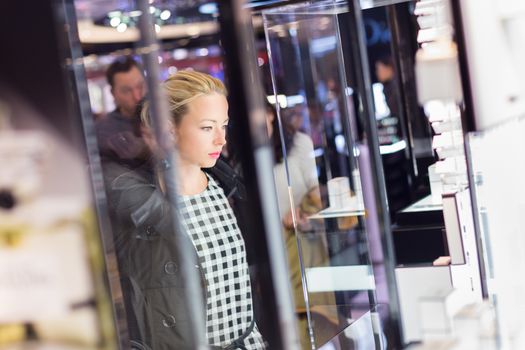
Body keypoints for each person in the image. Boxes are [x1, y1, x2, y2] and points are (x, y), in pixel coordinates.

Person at [103, 71, 265, 350]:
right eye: (206, 127)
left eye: (224, 126)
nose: (220, 139)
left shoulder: (230, 189)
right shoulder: (141, 207)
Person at [265, 102, 339, 349]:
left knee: (310, 312)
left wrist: (306, 212)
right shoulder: (234, 152)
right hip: (265, 247)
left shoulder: (298, 143)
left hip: (301, 242)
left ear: (269, 115)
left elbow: (315, 192)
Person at [95, 56, 148, 167]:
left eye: (140, 86)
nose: (137, 96)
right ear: (113, 93)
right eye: (126, 91)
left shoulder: (164, 116)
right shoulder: (103, 130)